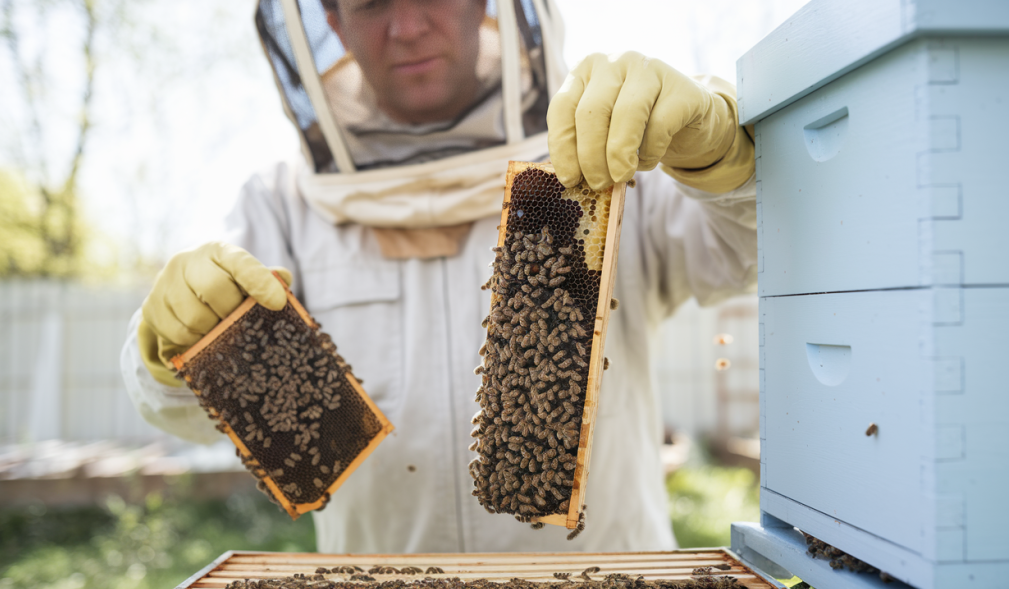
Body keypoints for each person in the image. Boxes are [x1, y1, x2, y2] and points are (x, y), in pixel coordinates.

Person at [122, 0, 757, 554]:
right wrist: (168, 352)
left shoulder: (608, 153)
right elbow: (194, 412)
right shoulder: (279, 204)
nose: (406, 26)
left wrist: (724, 158)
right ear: (332, 23)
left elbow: (751, 248)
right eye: (370, 1)